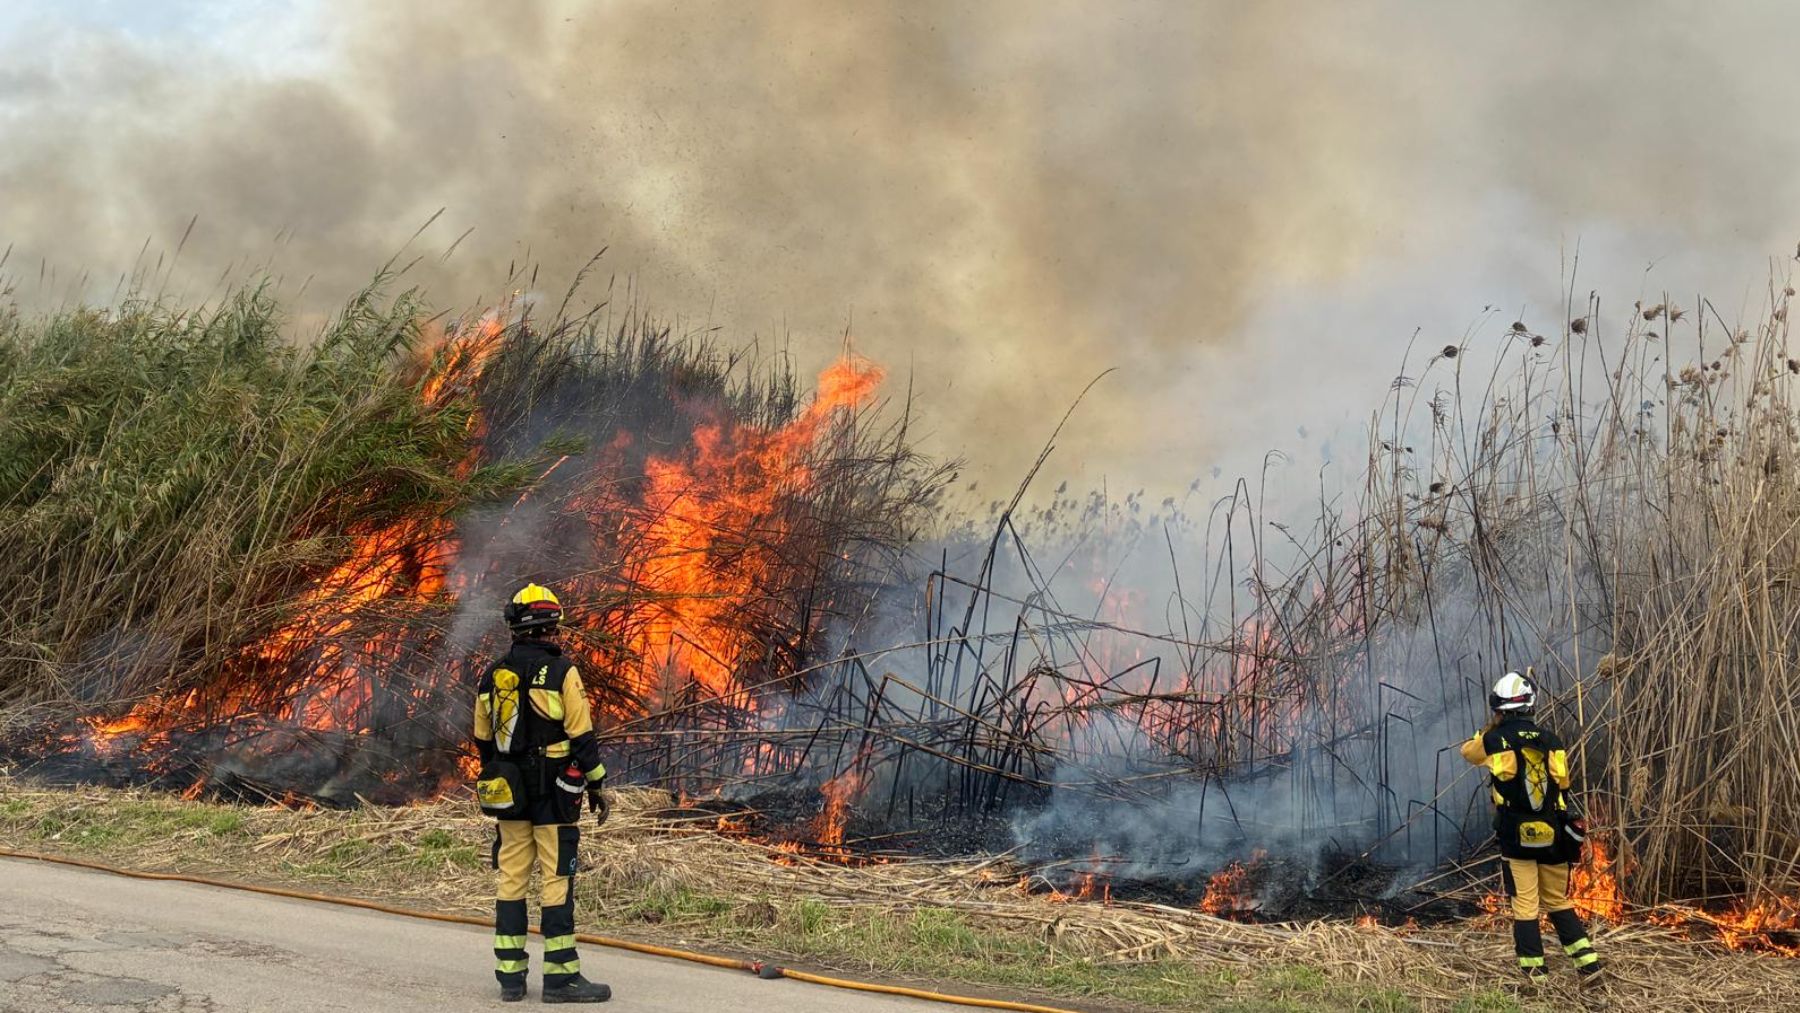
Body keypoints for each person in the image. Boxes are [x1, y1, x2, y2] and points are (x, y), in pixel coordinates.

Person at [473, 583, 613, 1003]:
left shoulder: (492, 673)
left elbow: (483, 739)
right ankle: (560, 979)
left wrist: (504, 774)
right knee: (556, 879)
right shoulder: (561, 671)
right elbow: (582, 735)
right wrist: (597, 782)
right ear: (552, 626)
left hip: (510, 793)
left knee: (511, 878)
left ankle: (510, 979)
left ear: (515, 627)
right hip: (555, 793)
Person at [1460, 670, 1602, 983]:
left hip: (1516, 835)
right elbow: (1562, 786)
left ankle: (1536, 976)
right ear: (1531, 705)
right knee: (1558, 901)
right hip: (1552, 834)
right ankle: (1589, 967)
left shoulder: (1493, 740)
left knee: (1525, 904)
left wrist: (1490, 727)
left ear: (1498, 707)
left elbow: (1468, 751)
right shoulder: (1552, 741)